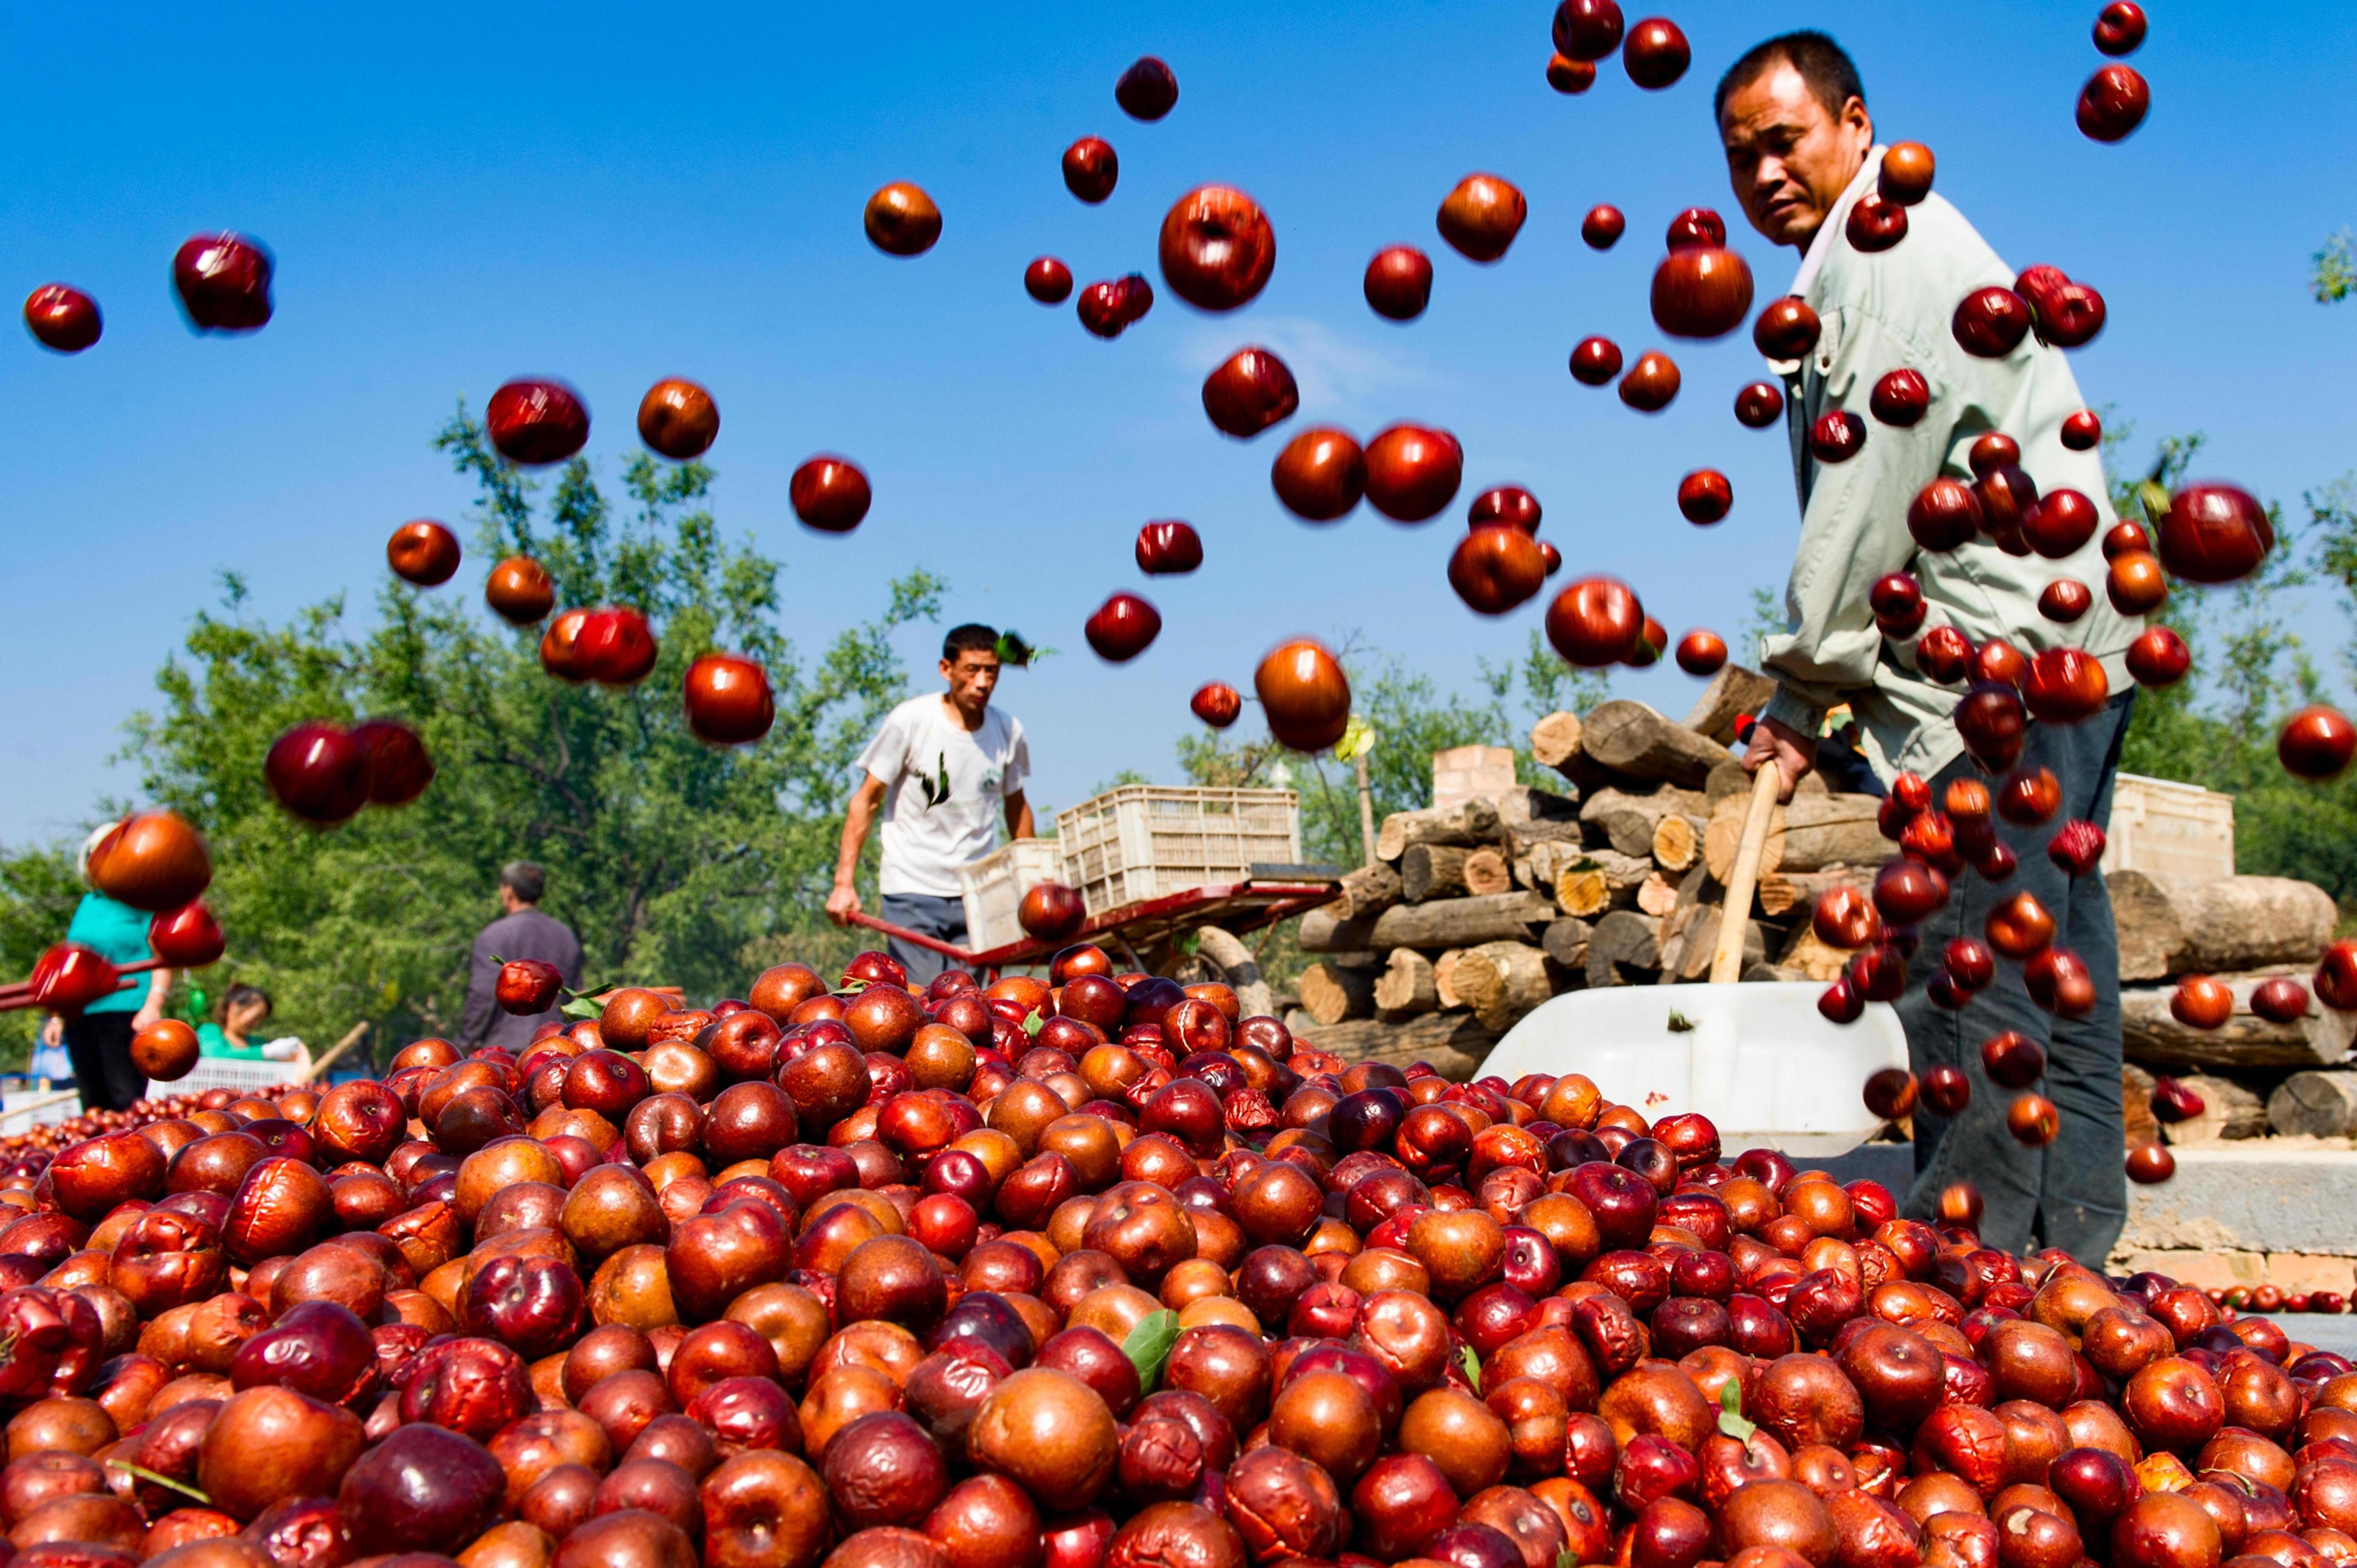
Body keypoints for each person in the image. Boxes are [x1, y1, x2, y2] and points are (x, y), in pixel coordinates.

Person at [1716, 32, 2139, 1263]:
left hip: (1993, 669)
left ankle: (1969, 1267)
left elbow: (1865, 498)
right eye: (1740, 159)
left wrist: (1797, 693)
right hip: (2066, 648)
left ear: (1853, 124)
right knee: (2053, 961)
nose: (1764, 175)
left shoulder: (1877, 254)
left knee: (1963, 964)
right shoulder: (1878, 249)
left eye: (1784, 141)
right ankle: (2070, 1265)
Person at [827, 623, 1033, 987]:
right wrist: (844, 883)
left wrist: (1033, 882)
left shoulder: (1007, 731)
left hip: (975, 894)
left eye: (992, 672)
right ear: (946, 668)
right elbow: (866, 800)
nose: (982, 682)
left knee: (967, 1005)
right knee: (923, 1001)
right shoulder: (912, 720)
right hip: (912, 888)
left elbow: (1016, 806)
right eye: (972, 670)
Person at [50, 825, 176, 1111]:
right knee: (92, 1101)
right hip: (80, 1014)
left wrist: (153, 1005)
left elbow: (163, 957)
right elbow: (73, 962)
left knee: (126, 1098)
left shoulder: (142, 900)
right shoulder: (88, 903)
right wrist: (58, 1016)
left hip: (127, 1014)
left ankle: (129, 1154)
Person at [460, 862, 583, 1051]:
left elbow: (483, 995)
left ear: (508, 891)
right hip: (555, 1049)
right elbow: (575, 995)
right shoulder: (565, 935)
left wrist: (468, 1041)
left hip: (507, 1053)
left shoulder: (495, 935)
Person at [196, 985, 303, 1063]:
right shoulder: (210, 1032)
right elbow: (216, 1057)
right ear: (234, 1007)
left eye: (261, 1019)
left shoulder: (257, 1043)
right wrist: (265, 1052)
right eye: (255, 1017)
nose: (256, 1023)